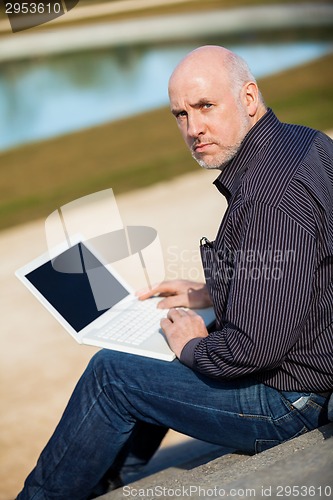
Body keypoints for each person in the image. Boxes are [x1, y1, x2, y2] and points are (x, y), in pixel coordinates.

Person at [17, 45, 333, 499]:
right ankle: (104, 473)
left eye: (205, 106)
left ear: (247, 97)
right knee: (158, 339)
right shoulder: (306, 142)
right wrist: (213, 291)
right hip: (313, 364)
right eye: (180, 115)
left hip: (292, 400)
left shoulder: (268, 196)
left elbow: (248, 351)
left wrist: (190, 347)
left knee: (112, 373)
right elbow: (306, 265)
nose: (193, 128)